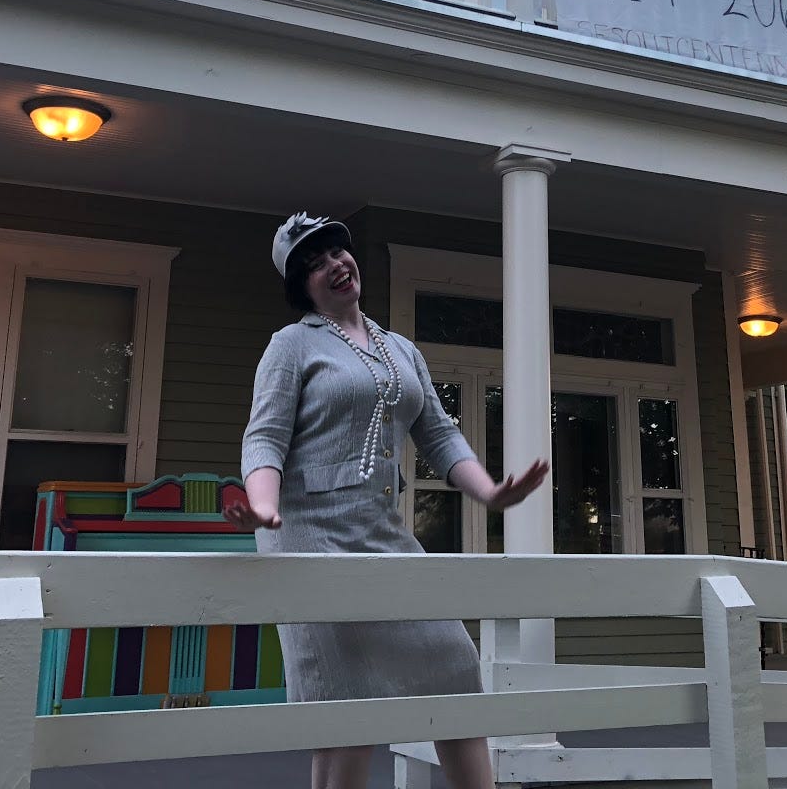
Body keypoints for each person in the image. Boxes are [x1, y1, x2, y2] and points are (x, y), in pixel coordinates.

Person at [229, 211, 550, 789]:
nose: (334, 265)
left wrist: (491, 492)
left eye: (337, 252)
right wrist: (263, 505)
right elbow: (264, 437)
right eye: (315, 264)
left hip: (380, 531)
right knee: (347, 704)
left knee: (455, 670)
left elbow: (439, 434)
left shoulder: (399, 348)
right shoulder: (291, 345)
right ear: (303, 287)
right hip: (308, 537)